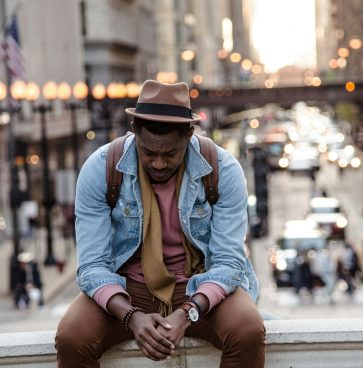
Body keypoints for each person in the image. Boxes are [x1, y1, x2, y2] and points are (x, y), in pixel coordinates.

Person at [55, 81, 265, 368]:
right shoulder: (100, 168)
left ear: (189, 135)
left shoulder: (222, 169)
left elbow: (229, 263)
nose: (158, 163)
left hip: (199, 286)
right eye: (148, 152)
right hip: (127, 289)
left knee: (247, 329)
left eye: (170, 154)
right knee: (72, 337)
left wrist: (187, 312)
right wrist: (131, 316)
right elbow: (92, 266)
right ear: (135, 130)